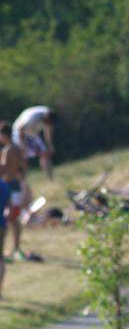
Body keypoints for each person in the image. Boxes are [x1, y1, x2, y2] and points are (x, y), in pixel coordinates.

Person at [0, 122, 40, 262]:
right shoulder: (17, 148)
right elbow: (23, 167)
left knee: (9, 219)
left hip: (8, 185)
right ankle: (15, 247)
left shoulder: (7, 150)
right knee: (14, 219)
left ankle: (12, 249)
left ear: (4, 135)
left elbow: (3, 169)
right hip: (17, 185)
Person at [13, 105, 56, 180]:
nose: (47, 124)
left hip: (33, 134)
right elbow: (20, 129)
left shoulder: (49, 116)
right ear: (45, 117)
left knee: (45, 153)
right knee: (24, 157)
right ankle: (23, 180)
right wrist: (23, 146)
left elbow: (48, 130)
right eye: (47, 122)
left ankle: (50, 178)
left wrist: (50, 145)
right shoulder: (32, 117)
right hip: (19, 133)